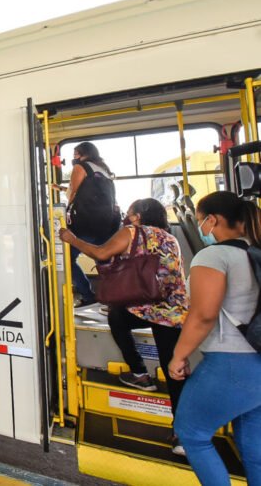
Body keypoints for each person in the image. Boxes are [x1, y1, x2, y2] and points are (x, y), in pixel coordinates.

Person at [60, 198, 188, 454]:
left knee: (117, 317)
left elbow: (101, 253)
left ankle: (139, 372)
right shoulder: (170, 238)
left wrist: (71, 239)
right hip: (172, 310)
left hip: (144, 305)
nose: (126, 217)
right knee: (173, 370)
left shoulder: (131, 232)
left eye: (129, 213)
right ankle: (183, 433)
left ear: (138, 216)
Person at [168, 191, 261, 485]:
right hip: (257, 364)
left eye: (199, 220)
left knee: (191, 433)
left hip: (231, 363)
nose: (200, 227)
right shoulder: (255, 252)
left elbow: (203, 315)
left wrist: (179, 356)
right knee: (253, 446)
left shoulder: (213, 256)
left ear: (213, 220)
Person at [63, 142, 120, 307]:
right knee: (103, 261)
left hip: (86, 223)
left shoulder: (81, 167)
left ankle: (88, 295)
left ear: (84, 153)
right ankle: (115, 296)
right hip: (108, 224)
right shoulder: (104, 170)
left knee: (67, 259)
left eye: (76, 154)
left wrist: (66, 210)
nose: (74, 157)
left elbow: (73, 192)